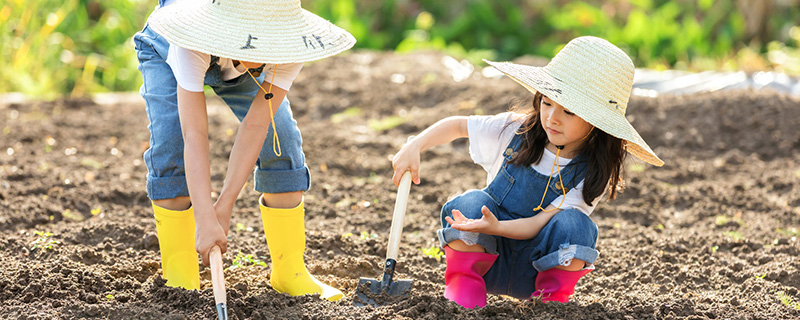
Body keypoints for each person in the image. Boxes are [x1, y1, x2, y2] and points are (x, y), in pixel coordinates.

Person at [391, 36, 664, 308]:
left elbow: (537, 224)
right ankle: (464, 296)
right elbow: (459, 126)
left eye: (569, 111)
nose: (552, 118)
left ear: (597, 123)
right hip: (488, 255)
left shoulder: (591, 172)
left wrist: (498, 226)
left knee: (576, 225)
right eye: (547, 102)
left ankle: (549, 306)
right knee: (470, 203)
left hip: (535, 268)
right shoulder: (513, 130)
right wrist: (416, 145)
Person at [133, 0, 355, 301]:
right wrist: (205, 218)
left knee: (281, 136)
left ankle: (290, 270)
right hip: (166, 46)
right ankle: (180, 273)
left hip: (232, 63)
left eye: (271, 43)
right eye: (256, 41)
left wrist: (223, 206)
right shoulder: (189, 38)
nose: (265, 50)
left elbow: (256, 125)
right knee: (171, 143)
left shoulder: (288, 46)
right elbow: (194, 134)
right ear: (235, 30)